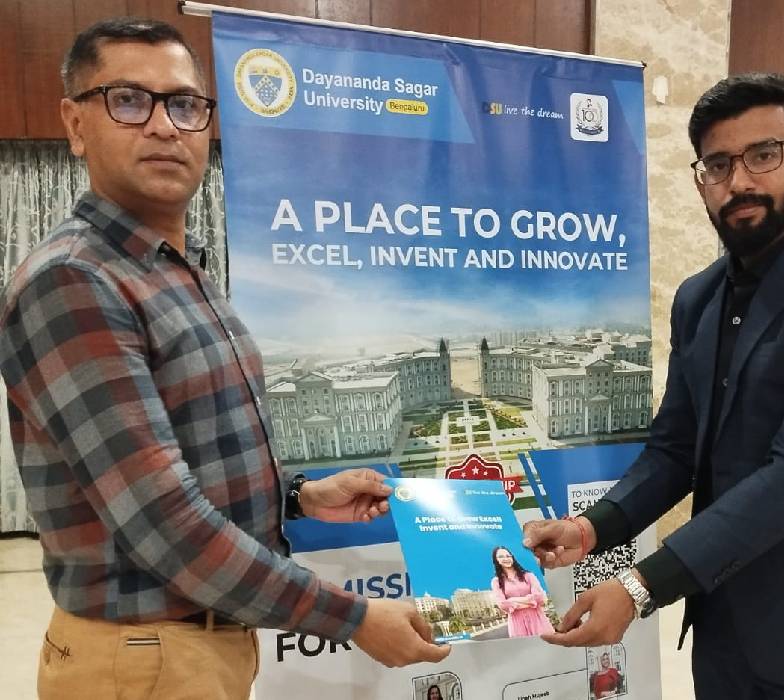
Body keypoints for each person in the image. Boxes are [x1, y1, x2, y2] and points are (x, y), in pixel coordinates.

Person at [0, 17, 448, 699]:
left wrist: (298, 495)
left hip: (195, 643)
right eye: (129, 100)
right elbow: (162, 520)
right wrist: (353, 618)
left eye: (185, 105)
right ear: (75, 122)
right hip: (143, 653)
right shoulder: (76, 280)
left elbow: (193, 452)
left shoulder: (175, 269)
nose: (163, 126)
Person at [523, 73, 784, 699]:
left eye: (763, 155)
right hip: (723, 618)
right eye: (718, 164)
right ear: (701, 179)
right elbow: (674, 449)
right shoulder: (698, 298)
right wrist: (592, 529)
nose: (739, 181)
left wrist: (641, 586)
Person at [489, 546, 553, 637]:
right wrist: (530, 601)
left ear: (512, 557)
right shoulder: (496, 582)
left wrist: (512, 600)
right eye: (501, 556)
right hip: (517, 624)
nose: (506, 559)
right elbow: (503, 604)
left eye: (508, 556)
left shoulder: (529, 575)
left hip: (538, 620)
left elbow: (539, 597)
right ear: (496, 560)